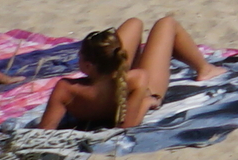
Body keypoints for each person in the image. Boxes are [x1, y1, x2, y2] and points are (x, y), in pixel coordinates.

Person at [38, 18, 223, 131]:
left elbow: (44, 130)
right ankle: (204, 69)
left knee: (134, 23)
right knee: (166, 23)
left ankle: (203, 68)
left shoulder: (65, 89)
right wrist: (146, 102)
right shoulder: (137, 78)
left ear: (87, 65)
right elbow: (128, 125)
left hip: (110, 90)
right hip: (137, 90)